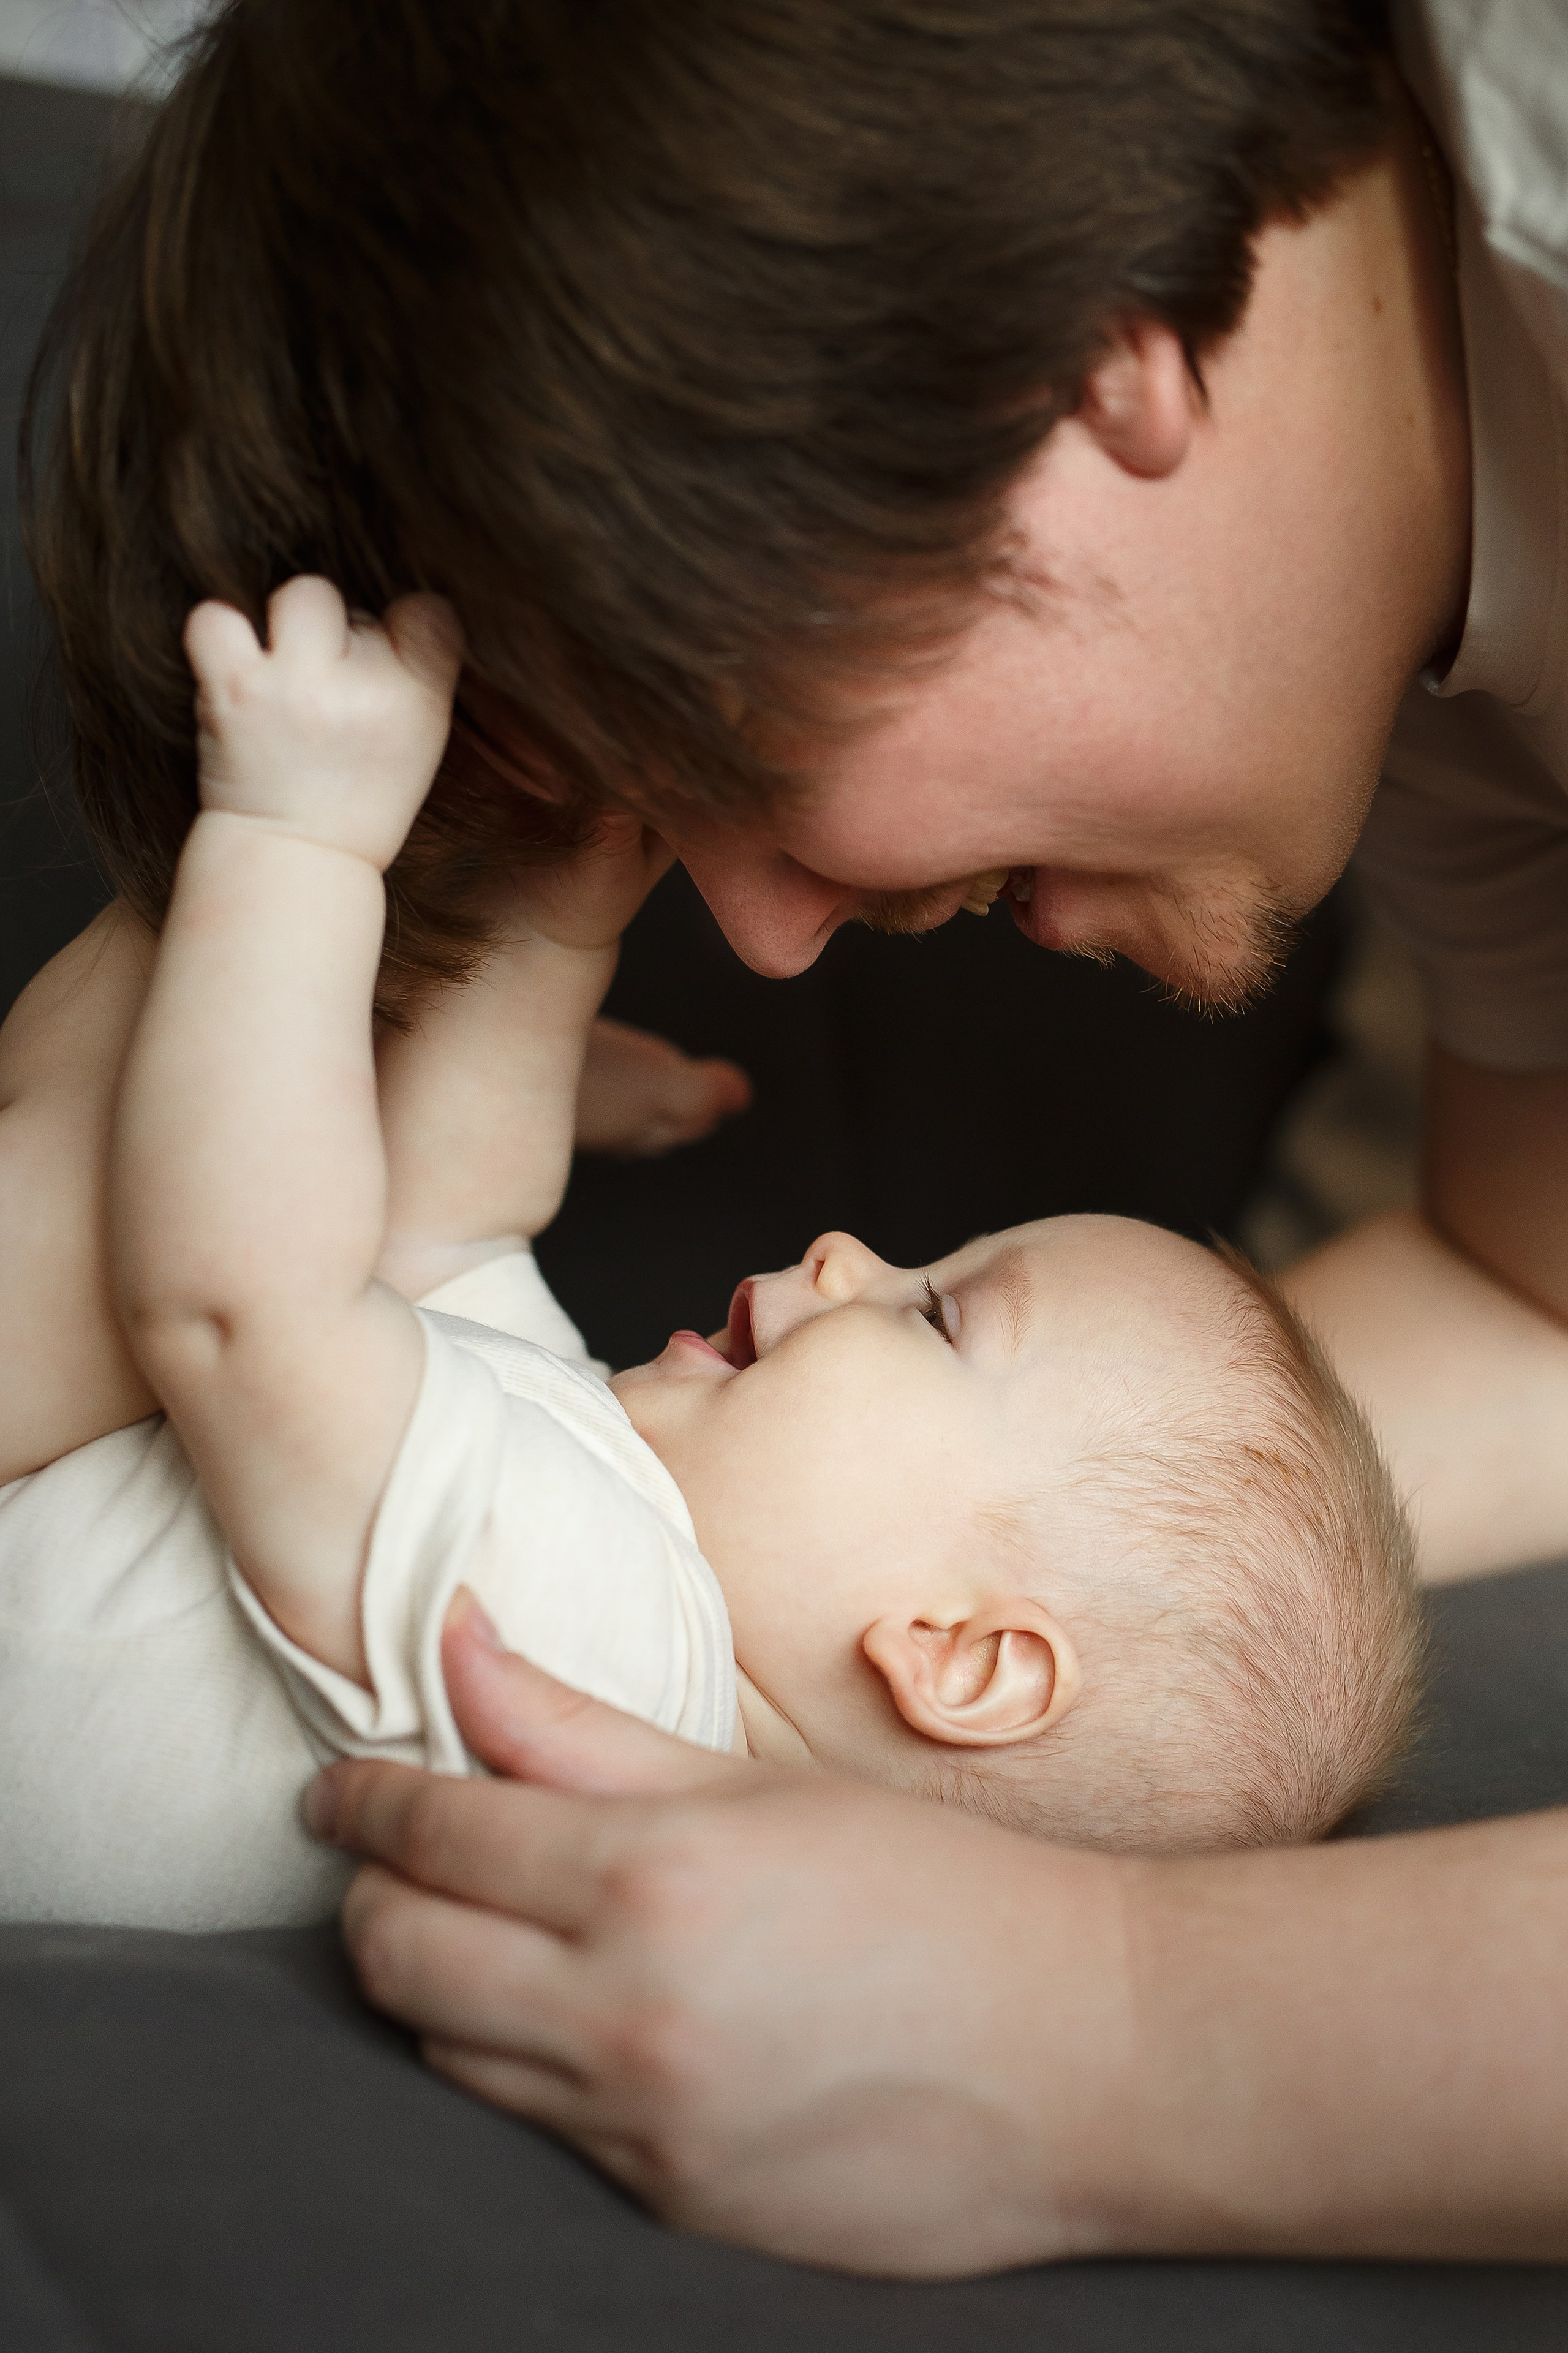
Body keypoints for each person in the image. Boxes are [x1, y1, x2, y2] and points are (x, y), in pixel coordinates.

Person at [18, 0, 1568, 2277]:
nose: (749, 927)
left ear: (1093, 362)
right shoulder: (1403, 611)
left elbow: (255, 1300)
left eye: (731, 737)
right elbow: (1537, 1300)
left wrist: (1114, 2018)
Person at [0, 575, 1420, 1927]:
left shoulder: (590, 1653)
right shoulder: (624, 1568)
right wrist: (560, 937)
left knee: (121, 1101)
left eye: (933, 1315)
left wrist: (292, 845)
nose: (848, 1250)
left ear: (958, 1655)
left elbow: (247, 1303)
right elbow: (447, 1229)